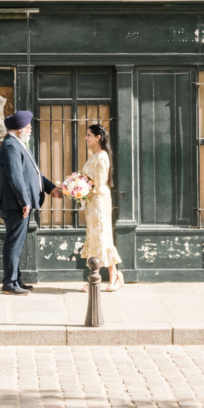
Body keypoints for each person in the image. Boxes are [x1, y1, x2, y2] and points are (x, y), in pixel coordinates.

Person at [0, 110, 57, 295]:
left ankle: (16, 280)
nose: (30, 129)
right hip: (16, 204)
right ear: (19, 128)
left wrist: (51, 188)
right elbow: (15, 177)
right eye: (28, 127)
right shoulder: (10, 146)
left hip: (21, 203)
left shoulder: (19, 144)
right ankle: (10, 283)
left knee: (17, 242)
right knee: (14, 243)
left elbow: (35, 173)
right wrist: (24, 201)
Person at [80, 123, 123, 291]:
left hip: (98, 201)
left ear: (98, 137)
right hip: (91, 202)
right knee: (94, 238)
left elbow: (98, 185)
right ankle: (95, 277)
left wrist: (80, 190)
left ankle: (114, 276)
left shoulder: (101, 157)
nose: (86, 138)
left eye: (89, 135)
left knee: (102, 237)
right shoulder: (93, 155)